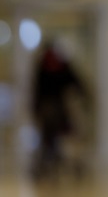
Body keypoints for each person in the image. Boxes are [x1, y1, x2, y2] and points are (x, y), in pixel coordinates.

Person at [30, 40, 91, 181]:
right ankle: (50, 162)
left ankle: (51, 162)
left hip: (57, 109)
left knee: (53, 138)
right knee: (52, 138)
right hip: (51, 109)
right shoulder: (49, 67)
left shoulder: (57, 66)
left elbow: (77, 83)